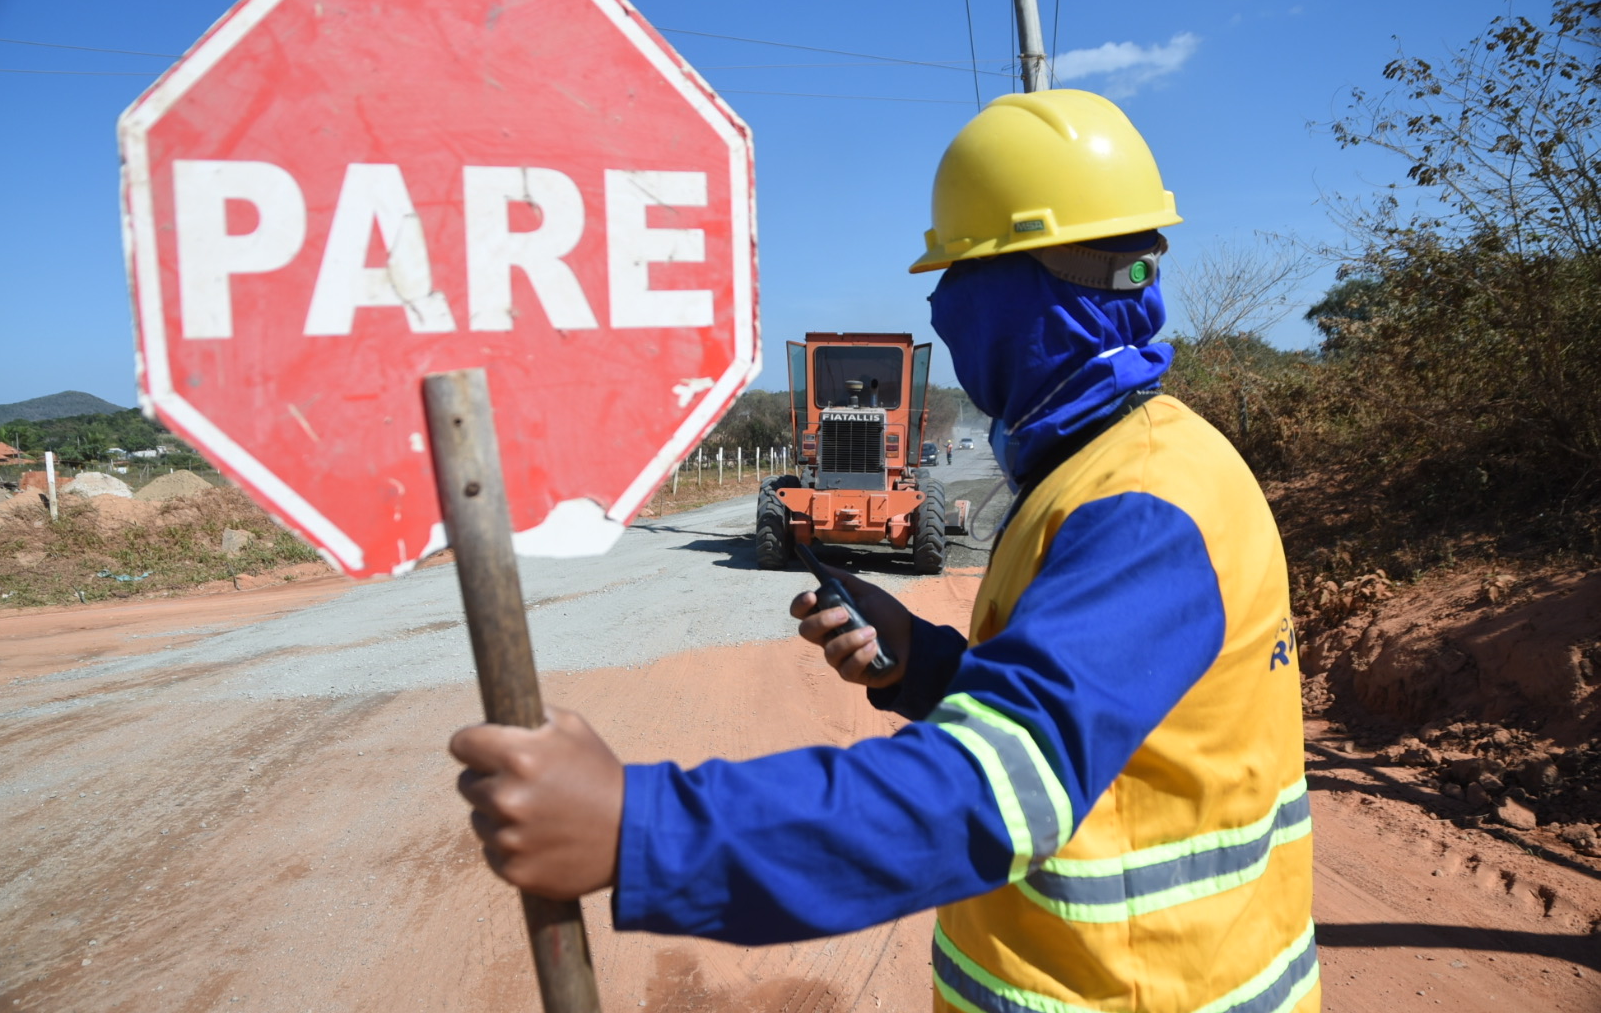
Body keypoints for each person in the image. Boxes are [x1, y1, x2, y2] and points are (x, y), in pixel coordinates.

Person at [450, 89, 1319, 1013]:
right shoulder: (1114, 463)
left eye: (962, 276)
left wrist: (644, 830)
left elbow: (995, 791)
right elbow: (1102, 718)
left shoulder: (1146, 500)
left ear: (1021, 285)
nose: (945, 309)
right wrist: (929, 663)